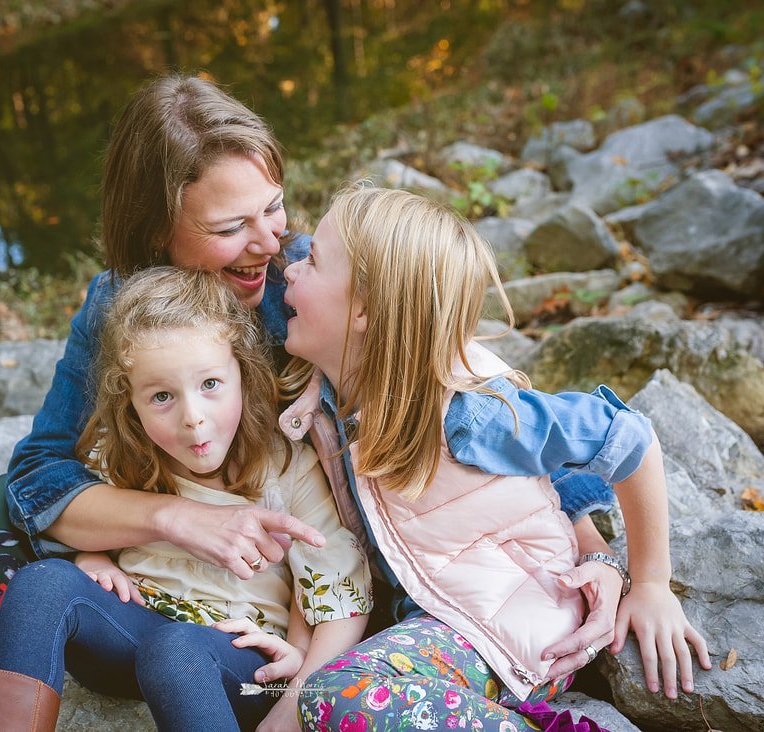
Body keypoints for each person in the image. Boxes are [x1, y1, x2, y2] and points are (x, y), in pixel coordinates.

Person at [0, 72, 626, 682]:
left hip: (317, 573)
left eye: (272, 207)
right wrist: (174, 520)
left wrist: (593, 558)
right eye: (230, 226)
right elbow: (41, 472)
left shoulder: (311, 287)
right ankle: (147, 631)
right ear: (156, 233)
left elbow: (484, 406)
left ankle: (242, 663)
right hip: (175, 544)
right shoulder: (116, 305)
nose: (270, 244)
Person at [277, 185, 711, 731]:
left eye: (312, 260)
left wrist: (649, 583)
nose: (290, 269)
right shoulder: (333, 395)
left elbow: (629, 437)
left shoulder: (470, 413)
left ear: (364, 308)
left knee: (334, 696)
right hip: (442, 616)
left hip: (517, 625)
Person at [0, 267, 372, 732]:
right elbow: (77, 517)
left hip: (244, 669)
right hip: (131, 632)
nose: (193, 418)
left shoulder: (289, 467)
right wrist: (90, 554)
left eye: (210, 384)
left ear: (244, 374)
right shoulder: (120, 454)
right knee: (42, 584)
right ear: (129, 399)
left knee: (176, 650)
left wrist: (295, 680)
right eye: (162, 396)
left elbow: (338, 587)